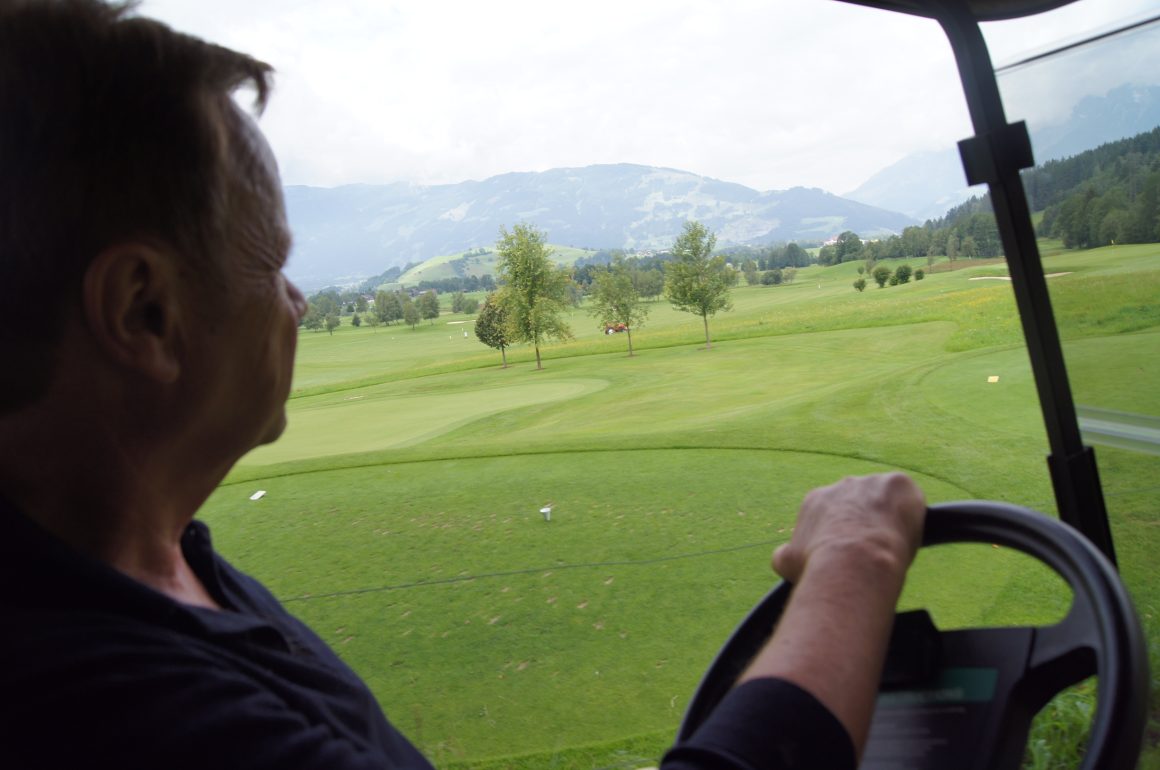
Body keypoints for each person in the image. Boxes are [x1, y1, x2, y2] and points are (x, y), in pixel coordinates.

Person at [0, 1, 926, 768]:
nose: (300, 302)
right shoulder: (96, 703)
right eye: (271, 262)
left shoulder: (160, 569)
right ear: (144, 313)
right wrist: (855, 562)